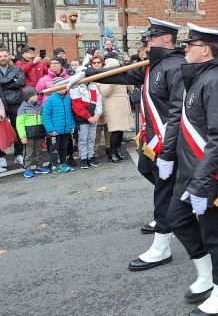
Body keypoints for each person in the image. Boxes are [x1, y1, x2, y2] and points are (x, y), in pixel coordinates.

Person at [69, 18, 186, 270]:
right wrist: (87, 74)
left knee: (163, 191)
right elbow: (121, 75)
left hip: (169, 141)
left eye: (152, 37)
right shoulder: (153, 65)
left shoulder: (176, 66)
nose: (147, 40)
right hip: (152, 139)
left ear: (167, 39)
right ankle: (181, 206)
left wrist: (169, 149)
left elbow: (179, 112)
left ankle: (162, 245)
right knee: (145, 169)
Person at [163, 24, 218, 315]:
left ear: (205, 49)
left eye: (190, 44)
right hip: (190, 170)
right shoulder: (199, 78)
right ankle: (208, 274)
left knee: (214, 231)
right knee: (176, 218)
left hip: (211, 173)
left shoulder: (217, 82)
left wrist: (201, 183)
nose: (185, 49)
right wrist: (169, 157)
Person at [99, 57, 135, 163]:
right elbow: (105, 93)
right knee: (115, 130)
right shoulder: (104, 77)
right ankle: (112, 153)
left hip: (123, 104)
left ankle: (118, 151)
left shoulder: (121, 76)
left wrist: (126, 77)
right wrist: (112, 79)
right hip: (113, 105)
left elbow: (131, 88)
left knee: (121, 130)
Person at [69, 69, 102, 169]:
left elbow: (99, 101)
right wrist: (88, 117)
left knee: (91, 138)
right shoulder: (75, 88)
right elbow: (76, 105)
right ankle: (83, 158)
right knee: (83, 139)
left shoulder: (93, 87)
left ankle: (90, 156)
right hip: (83, 119)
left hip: (93, 118)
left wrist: (97, 114)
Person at [42, 77, 76, 173]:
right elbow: (46, 115)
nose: (64, 89)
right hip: (55, 130)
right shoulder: (50, 100)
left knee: (64, 147)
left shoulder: (68, 99)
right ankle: (54, 165)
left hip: (66, 129)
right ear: (55, 87)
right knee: (54, 148)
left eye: (65, 86)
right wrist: (50, 129)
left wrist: (72, 126)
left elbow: (71, 114)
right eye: (61, 87)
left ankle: (63, 163)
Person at [0, 47, 26, 166]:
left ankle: (18, 154)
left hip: (16, 102)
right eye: (0, 56)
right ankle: (1, 156)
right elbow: (15, 83)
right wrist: (12, 81)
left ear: (9, 56)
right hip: (1, 103)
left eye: (5, 56)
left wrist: (4, 84)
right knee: (1, 131)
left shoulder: (17, 68)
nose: (3, 58)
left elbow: (21, 82)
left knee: (18, 128)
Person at [16, 87, 49, 177]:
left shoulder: (39, 106)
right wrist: (22, 136)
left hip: (39, 133)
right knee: (28, 152)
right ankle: (27, 169)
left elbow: (44, 119)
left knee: (39, 151)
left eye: (37, 94)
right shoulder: (22, 108)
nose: (36, 97)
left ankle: (39, 167)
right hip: (28, 135)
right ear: (27, 96)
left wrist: (45, 131)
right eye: (33, 95)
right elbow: (20, 124)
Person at [89, 55, 110, 159]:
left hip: (107, 101)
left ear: (102, 63)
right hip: (94, 103)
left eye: (98, 62)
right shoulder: (89, 75)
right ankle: (95, 149)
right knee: (97, 129)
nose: (96, 64)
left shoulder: (106, 74)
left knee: (109, 127)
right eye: (94, 63)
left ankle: (109, 147)